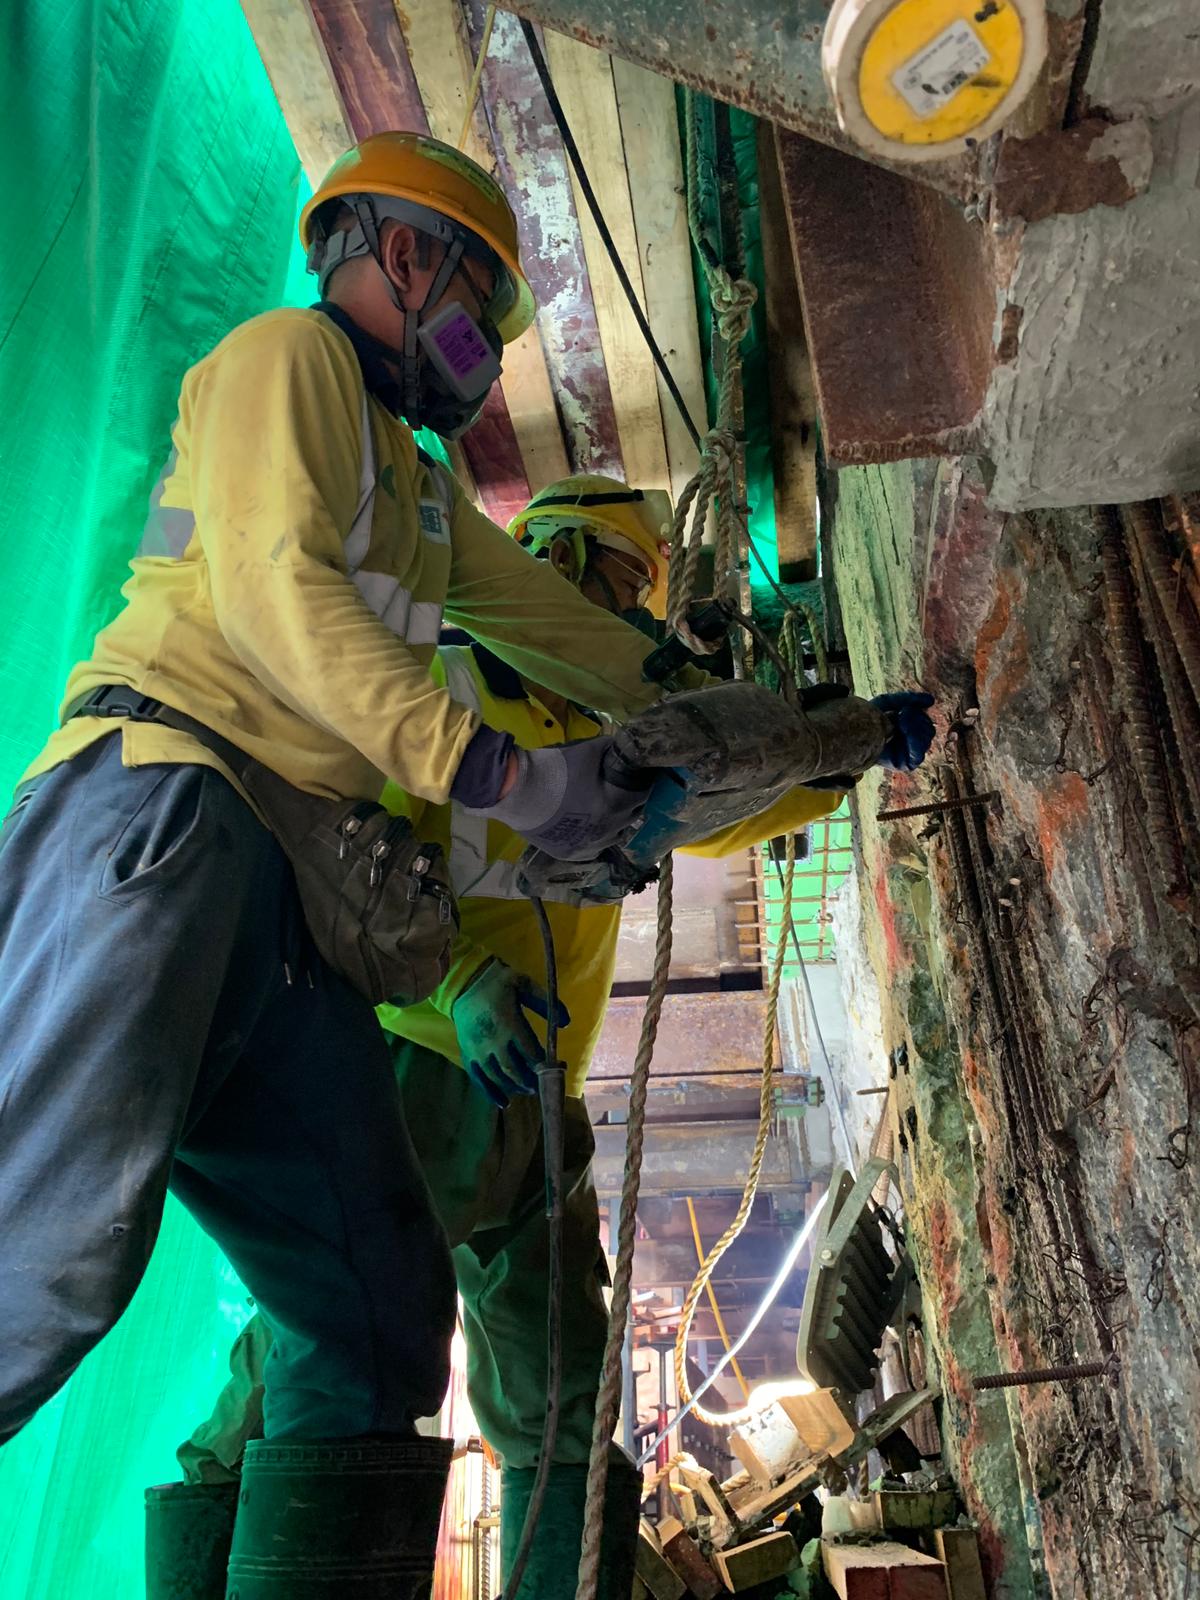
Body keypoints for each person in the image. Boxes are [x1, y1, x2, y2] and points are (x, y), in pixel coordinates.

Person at [0, 134, 735, 1595]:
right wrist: (509, 774)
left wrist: (739, 721)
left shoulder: (417, 491)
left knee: (377, 1314)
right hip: (170, 806)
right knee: (45, 1258)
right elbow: (278, 592)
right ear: (402, 253)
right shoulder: (288, 363)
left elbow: (572, 636)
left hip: (292, 901)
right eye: (482, 313)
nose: (485, 359)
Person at [169, 475, 936, 1599]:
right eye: (621, 580)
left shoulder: (611, 732)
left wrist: (843, 754)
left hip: (538, 1103)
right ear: (554, 559)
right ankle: (207, 1560)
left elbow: (730, 804)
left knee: (564, 1392)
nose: (628, 615)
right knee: (340, 1334)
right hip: (425, 1075)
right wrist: (457, 981)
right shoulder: (437, 691)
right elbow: (344, 868)